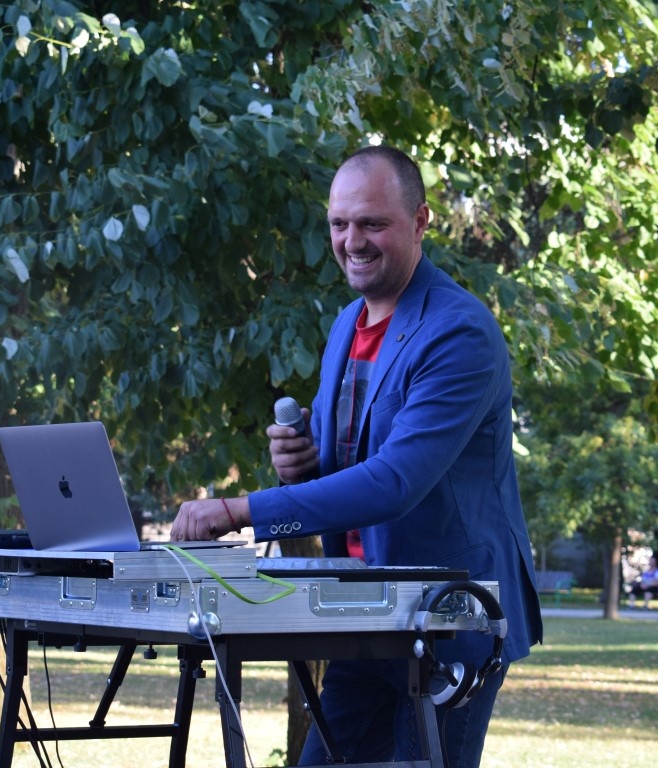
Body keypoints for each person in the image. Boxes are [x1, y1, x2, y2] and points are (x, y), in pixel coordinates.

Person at [171, 145, 543, 768]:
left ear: (420, 222)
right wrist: (302, 463)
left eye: (372, 223)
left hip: (449, 619)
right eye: (340, 224)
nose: (352, 241)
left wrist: (240, 510)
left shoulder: (460, 332)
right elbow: (348, 467)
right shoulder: (348, 322)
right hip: (365, 615)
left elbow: (394, 482)